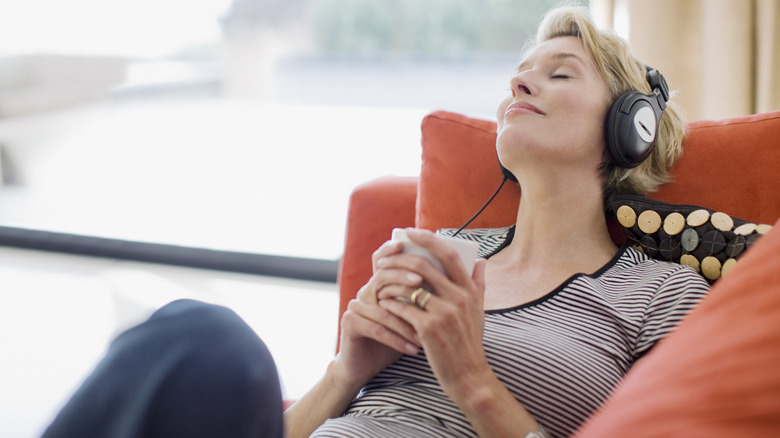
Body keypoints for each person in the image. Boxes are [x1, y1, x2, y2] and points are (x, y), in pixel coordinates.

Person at [43, 5, 710, 438]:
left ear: (628, 129)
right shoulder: (445, 253)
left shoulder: (663, 295)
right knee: (199, 335)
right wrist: (347, 369)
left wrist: (472, 380)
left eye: (559, 74)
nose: (520, 85)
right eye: (518, 74)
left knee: (209, 339)